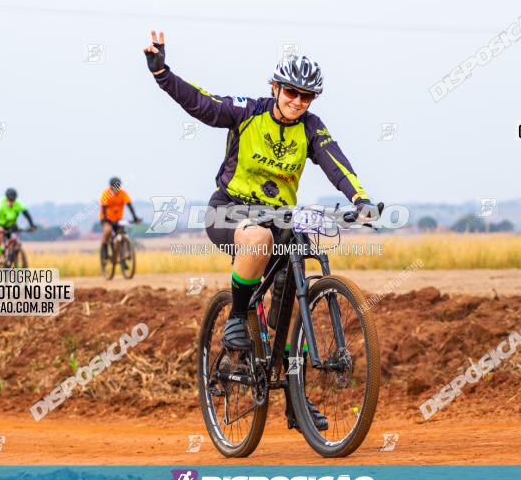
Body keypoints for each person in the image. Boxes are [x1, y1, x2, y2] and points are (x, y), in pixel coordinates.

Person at [144, 30, 379, 430]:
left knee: (292, 298)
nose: (297, 102)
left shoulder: (310, 127)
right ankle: (237, 315)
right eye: (291, 92)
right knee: (259, 238)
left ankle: (294, 401)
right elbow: (202, 104)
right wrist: (163, 72)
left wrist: (361, 200)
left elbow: (334, 160)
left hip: (281, 216)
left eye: (306, 97)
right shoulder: (247, 111)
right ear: (275, 87)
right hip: (231, 210)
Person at [99, 177, 141, 261]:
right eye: (114, 187)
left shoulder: (123, 194)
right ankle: (104, 247)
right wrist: (105, 218)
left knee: (122, 233)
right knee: (108, 230)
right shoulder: (106, 194)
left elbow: (129, 206)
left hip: (118, 219)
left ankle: (122, 255)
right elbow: (103, 208)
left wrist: (135, 217)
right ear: (110, 187)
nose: (116, 189)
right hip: (106, 218)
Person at [0, 188, 36, 266]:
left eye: (13, 200)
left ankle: (13, 257)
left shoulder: (18, 203)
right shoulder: (0, 203)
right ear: (6, 198)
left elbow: (26, 214)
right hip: (0, 224)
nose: (11, 202)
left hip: (12, 225)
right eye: (9, 200)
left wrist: (32, 224)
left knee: (15, 238)